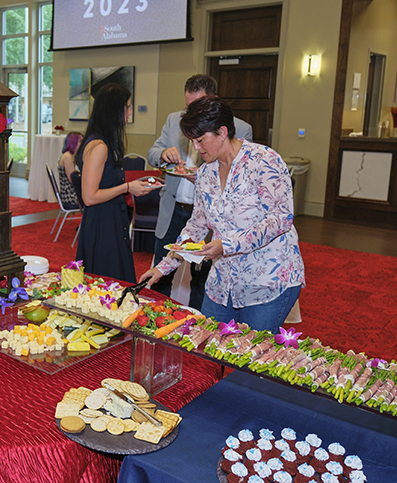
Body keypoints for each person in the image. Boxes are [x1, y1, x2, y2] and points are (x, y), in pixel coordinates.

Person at [140, 96, 304, 332]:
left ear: (222, 131)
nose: (196, 148)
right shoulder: (206, 173)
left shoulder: (264, 161)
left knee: (249, 361)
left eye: (200, 140)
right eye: (192, 141)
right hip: (222, 282)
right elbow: (195, 227)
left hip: (267, 281)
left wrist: (226, 245)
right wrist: (162, 267)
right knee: (207, 350)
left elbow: (281, 219)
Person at [146, 74, 253, 309]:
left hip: (213, 218)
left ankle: (196, 325)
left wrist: (208, 181)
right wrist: (163, 156)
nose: (192, 113)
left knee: (203, 279)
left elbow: (244, 187)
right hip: (174, 209)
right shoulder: (174, 120)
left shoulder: (241, 130)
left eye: (198, 105)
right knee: (162, 275)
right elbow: (152, 153)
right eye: (188, 106)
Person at [76, 84, 161, 282]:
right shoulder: (99, 146)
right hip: (102, 224)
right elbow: (89, 197)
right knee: (106, 282)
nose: (130, 112)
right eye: (128, 107)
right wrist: (128, 187)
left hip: (111, 219)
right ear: (115, 110)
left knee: (114, 281)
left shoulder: (105, 142)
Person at [57, 132, 82, 207]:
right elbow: (72, 179)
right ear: (73, 142)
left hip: (70, 193)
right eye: (80, 141)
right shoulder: (67, 157)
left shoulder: (71, 156)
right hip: (69, 196)